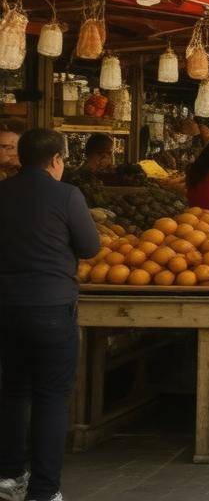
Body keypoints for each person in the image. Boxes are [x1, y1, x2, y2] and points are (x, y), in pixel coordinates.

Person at [0, 128, 101, 501]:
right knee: (52, 397)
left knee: (12, 392)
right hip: (52, 308)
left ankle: (9, 477)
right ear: (57, 160)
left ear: (21, 156)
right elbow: (89, 247)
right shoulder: (67, 195)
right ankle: (44, 491)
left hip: (7, 307)